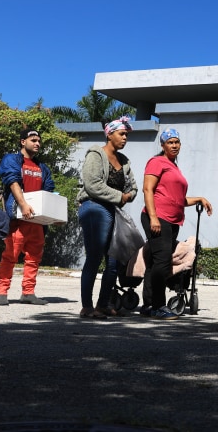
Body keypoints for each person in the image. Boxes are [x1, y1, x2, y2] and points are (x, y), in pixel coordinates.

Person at [141, 128, 213, 320]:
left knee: (156, 262)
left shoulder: (174, 167)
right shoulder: (157, 162)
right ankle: (158, 306)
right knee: (163, 263)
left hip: (171, 220)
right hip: (158, 218)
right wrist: (154, 217)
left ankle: (148, 304)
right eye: (170, 142)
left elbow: (178, 199)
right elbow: (148, 190)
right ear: (163, 145)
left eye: (177, 142)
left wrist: (199, 199)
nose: (174, 145)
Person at [76, 116, 138, 319]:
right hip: (94, 208)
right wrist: (121, 196)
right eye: (122, 134)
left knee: (114, 261)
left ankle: (103, 304)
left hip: (114, 211)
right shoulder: (96, 154)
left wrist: (128, 196)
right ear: (109, 134)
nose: (125, 138)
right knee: (94, 257)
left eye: (126, 135)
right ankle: (87, 306)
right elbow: (92, 184)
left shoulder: (124, 161)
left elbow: (134, 187)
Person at [0, 128, 55, 306]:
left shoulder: (42, 167)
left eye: (39, 141)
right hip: (17, 219)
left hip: (36, 221)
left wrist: (53, 216)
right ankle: (1, 291)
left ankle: (28, 293)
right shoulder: (11, 160)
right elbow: (12, 181)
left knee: (34, 258)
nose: (37, 143)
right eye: (33, 140)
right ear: (23, 142)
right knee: (10, 256)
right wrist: (23, 204)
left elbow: (48, 191)